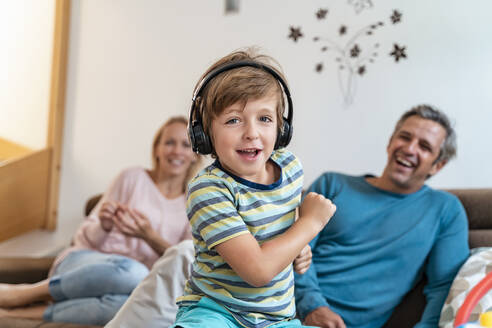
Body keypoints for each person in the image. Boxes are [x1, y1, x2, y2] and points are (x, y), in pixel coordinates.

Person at [171, 48, 336, 328]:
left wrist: (299, 247)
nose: (252, 132)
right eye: (233, 120)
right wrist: (311, 224)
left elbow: (281, 228)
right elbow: (258, 271)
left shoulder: (291, 167)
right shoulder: (208, 190)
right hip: (216, 312)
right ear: (205, 134)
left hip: (277, 319)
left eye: (265, 118)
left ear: (282, 129)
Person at [0, 116, 202, 326]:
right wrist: (103, 226)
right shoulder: (132, 178)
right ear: (157, 149)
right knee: (134, 273)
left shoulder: (194, 204)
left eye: (185, 145)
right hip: (83, 263)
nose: (177, 151)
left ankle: (17, 314)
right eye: (169, 142)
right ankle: (28, 293)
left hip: (135, 284)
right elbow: (82, 237)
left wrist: (149, 236)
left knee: (126, 305)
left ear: (195, 154)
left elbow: (183, 263)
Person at [294, 105, 470, 328]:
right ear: (390, 142)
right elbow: (294, 247)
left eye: (424, 146)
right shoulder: (332, 185)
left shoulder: (446, 210)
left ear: (438, 165)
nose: (409, 149)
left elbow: (444, 290)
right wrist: (313, 307)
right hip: (281, 311)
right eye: (404, 137)